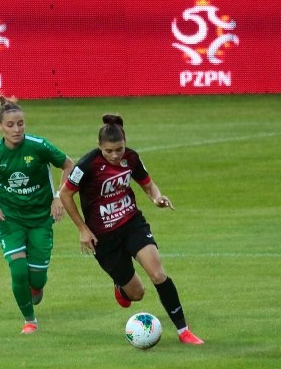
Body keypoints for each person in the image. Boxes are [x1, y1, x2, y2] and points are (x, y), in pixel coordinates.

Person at [59, 114, 204, 344]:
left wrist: (157, 198)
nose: (115, 155)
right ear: (100, 147)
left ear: (125, 143)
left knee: (157, 273)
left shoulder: (132, 158)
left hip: (131, 223)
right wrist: (82, 228)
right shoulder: (87, 165)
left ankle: (183, 331)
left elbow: (148, 184)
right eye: (109, 151)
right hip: (103, 237)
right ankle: (121, 286)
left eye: (119, 149)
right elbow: (65, 194)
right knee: (136, 294)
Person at [0, 93, 74, 334]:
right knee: (18, 270)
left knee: (37, 279)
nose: (16, 129)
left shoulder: (39, 146)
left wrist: (58, 197)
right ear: (0, 126)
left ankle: (35, 289)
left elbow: (69, 164)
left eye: (20, 124)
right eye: (10, 125)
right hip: (9, 218)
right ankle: (30, 320)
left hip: (41, 218)